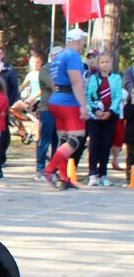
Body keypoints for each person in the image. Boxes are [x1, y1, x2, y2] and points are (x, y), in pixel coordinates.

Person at [43, 28, 91, 190]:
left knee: (63, 140)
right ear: (78, 40)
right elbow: (76, 81)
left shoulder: (58, 57)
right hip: (68, 102)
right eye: (83, 41)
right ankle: (50, 170)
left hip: (56, 100)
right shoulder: (72, 56)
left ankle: (64, 178)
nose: (83, 44)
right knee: (75, 139)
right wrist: (83, 105)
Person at [85, 52, 122, 186]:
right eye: (102, 62)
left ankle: (103, 174)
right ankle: (92, 173)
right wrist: (96, 110)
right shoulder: (93, 78)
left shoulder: (116, 78)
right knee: (94, 144)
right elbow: (87, 96)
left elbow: (118, 96)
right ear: (98, 64)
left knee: (106, 145)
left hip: (111, 115)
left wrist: (110, 111)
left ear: (111, 63)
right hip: (95, 116)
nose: (105, 64)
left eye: (107, 62)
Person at [35, 47, 59, 178]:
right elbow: (53, 85)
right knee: (45, 139)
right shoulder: (45, 69)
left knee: (58, 140)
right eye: (56, 55)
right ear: (51, 57)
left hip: (61, 109)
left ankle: (53, 168)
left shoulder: (65, 69)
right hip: (47, 108)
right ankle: (40, 168)